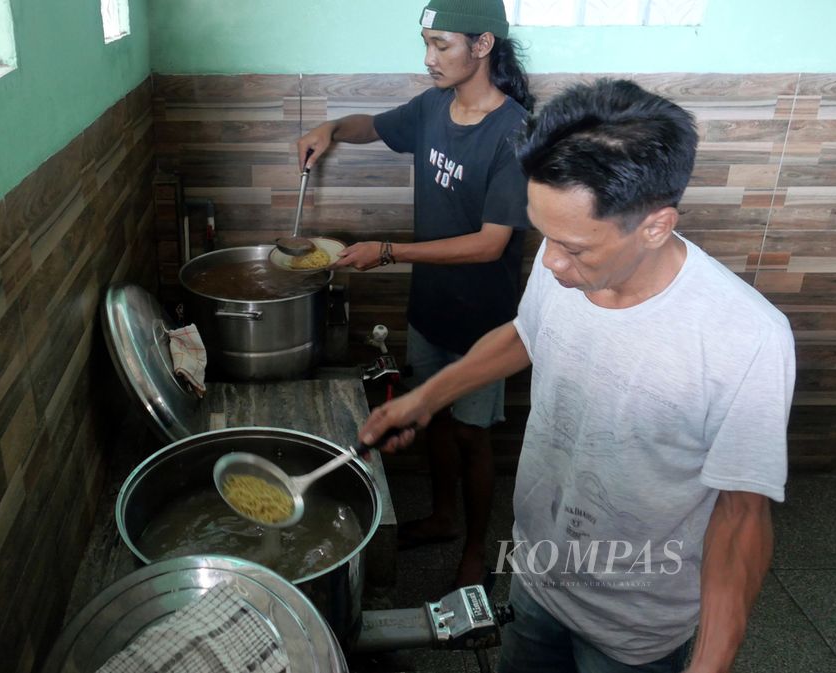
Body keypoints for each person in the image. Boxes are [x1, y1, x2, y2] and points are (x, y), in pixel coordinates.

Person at [359, 78, 795, 673]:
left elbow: (742, 518)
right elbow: (525, 334)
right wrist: (427, 398)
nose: (551, 262)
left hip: (634, 620)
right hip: (535, 573)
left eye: (575, 248)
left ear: (656, 225)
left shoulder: (745, 338)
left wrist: (711, 663)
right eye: (544, 237)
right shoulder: (558, 253)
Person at [296, 0, 534, 588]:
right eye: (426, 44)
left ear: (482, 46)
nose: (429, 59)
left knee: (473, 435)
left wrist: (390, 251)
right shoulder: (432, 108)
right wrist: (329, 129)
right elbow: (371, 126)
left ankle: (476, 548)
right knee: (432, 418)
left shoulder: (515, 132)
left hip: (485, 323)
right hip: (429, 308)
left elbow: (489, 244)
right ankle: (444, 516)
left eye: (442, 46)